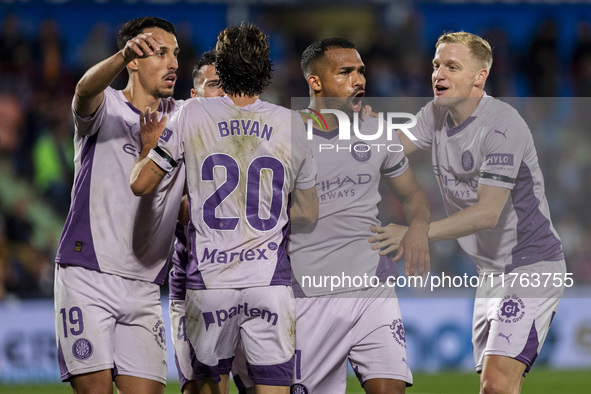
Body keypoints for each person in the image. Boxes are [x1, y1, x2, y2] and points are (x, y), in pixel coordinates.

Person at [371, 31, 567, 393]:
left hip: (529, 264)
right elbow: (388, 152)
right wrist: (357, 136)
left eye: (451, 66)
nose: (438, 74)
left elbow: (487, 214)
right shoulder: (434, 113)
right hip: (489, 272)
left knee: (495, 384)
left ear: (480, 77)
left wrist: (416, 231)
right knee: (496, 387)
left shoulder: (502, 126)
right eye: (435, 65)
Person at [130, 23, 319, 394]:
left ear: (224, 68)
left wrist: (148, 148)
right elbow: (310, 214)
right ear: (267, 70)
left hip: (211, 283)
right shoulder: (291, 123)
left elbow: (140, 184)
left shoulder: (192, 115)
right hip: (270, 283)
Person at [286, 38, 430, 394]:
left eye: (361, 71)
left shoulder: (378, 130)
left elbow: (413, 195)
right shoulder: (284, 133)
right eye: (346, 72)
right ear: (315, 82)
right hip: (308, 292)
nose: (359, 80)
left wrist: (418, 229)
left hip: (372, 288)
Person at [53, 16, 185, 394]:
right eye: (160, 53)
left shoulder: (181, 121)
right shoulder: (106, 106)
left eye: (175, 54)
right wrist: (118, 54)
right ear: (133, 61)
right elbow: (83, 89)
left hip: (145, 284)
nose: (173, 63)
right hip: (88, 272)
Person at [168, 49, 224, 394]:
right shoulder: (177, 135)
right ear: (195, 94)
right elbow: (178, 209)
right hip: (195, 275)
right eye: (215, 84)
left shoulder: (259, 134)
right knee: (200, 387)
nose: (223, 93)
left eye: (228, 85)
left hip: (255, 278)